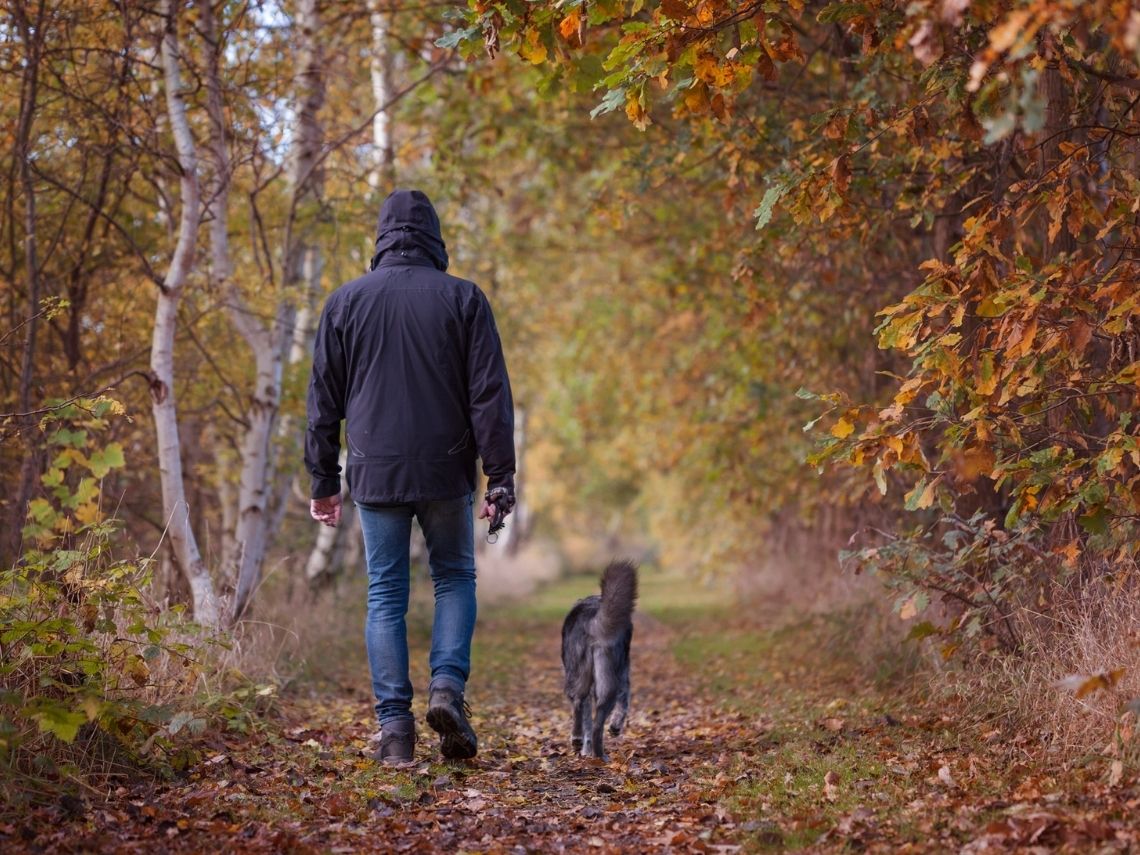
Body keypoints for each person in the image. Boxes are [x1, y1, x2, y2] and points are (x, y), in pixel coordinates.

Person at [304, 189, 516, 765]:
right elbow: (489, 395)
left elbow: (323, 400)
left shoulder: (345, 303)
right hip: (447, 468)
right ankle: (447, 688)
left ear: (381, 236)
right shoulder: (464, 299)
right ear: (434, 236)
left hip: (375, 472)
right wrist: (500, 476)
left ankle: (395, 731)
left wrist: (324, 479)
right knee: (453, 579)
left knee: (385, 595)